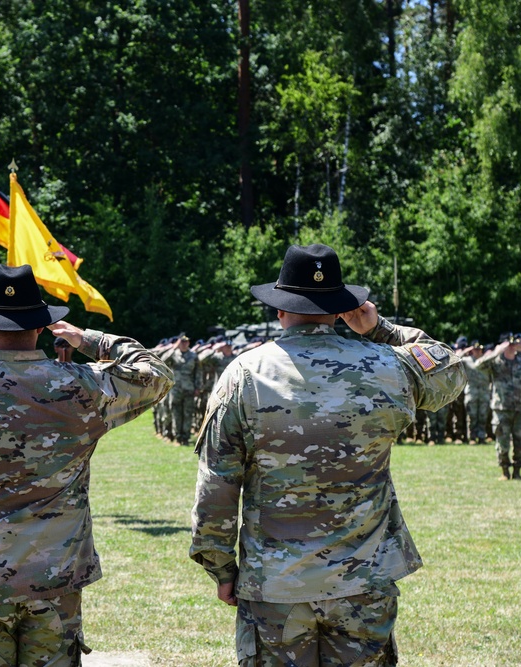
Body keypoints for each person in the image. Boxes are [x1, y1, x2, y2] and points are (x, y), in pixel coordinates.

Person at [190, 244, 465, 667]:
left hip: (277, 586)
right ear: (341, 309)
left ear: (280, 310)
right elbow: (450, 369)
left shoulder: (244, 374)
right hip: (364, 580)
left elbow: (217, 485)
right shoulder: (386, 365)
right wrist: (380, 329)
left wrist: (221, 568)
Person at [0, 264, 174, 667]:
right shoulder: (80, 386)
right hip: (56, 580)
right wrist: (91, 339)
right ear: (42, 326)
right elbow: (155, 374)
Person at [477, 332, 521, 480]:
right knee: (502, 443)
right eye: (508, 344)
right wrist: (496, 352)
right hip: (501, 409)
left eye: (513, 344)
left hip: (520, 409)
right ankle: (504, 471)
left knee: (520, 442)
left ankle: (517, 472)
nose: (511, 347)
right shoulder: (495, 363)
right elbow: (478, 366)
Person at [161, 334, 199, 445]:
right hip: (176, 388)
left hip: (189, 388)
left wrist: (198, 387)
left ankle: (185, 437)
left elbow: (197, 373)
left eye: (186, 342)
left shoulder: (193, 355)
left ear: (189, 343)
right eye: (182, 342)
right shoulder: (174, 354)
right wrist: (173, 348)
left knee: (188, 413)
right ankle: (177, 437)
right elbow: (163, 360)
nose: (184, 344)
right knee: (176, 413)